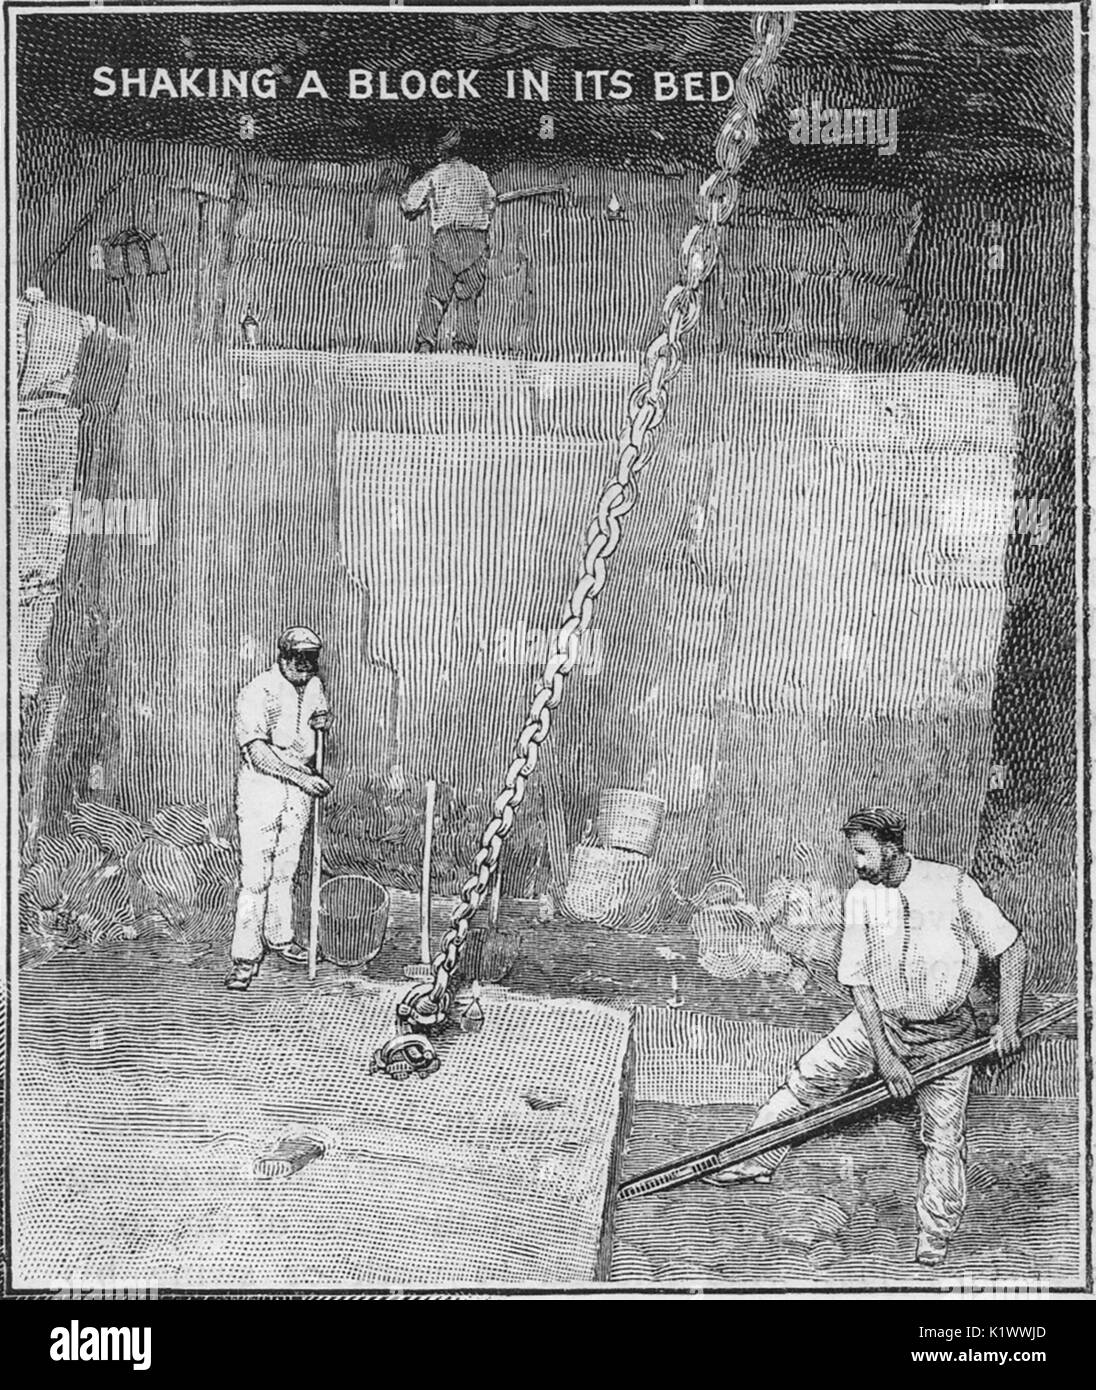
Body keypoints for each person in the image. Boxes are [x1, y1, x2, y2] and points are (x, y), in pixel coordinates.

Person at [706, 806, 1027, 1268]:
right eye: (852, 852)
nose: (855, 862)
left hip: (947, 1035)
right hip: (881, 1021)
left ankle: (935, 1235)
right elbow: (859, 983)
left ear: (892, 847)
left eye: (862, 852)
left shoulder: (953, 885)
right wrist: (887, 1059)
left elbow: (1009, 947)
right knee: (808, 1081)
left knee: (942, 1138)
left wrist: (1008, 1022)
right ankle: (751, 1157)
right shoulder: (860, 896)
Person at [225, 627, 332, 992]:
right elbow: (257, 752)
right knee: (256, 877)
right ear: (283, 656)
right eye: (298, 659)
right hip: (263, 788)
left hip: (299, 787)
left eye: (311, 660)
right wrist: (302, 779)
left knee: (286, 869)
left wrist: (322, 725)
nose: (304, 666)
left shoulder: (314, 685)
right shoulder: (257, 691)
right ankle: (245, 958)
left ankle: (280, 937)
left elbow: (313, 727)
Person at [399, 128, 562, 353]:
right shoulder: (479, 174)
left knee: (437, 293)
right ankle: (464, 346)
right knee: (468, 296)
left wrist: (406, 195)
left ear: (442, 152)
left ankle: (425, 343)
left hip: (447, 237)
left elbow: (410, 206)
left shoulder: (436, 174)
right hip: (476, 238)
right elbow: (490, 204)